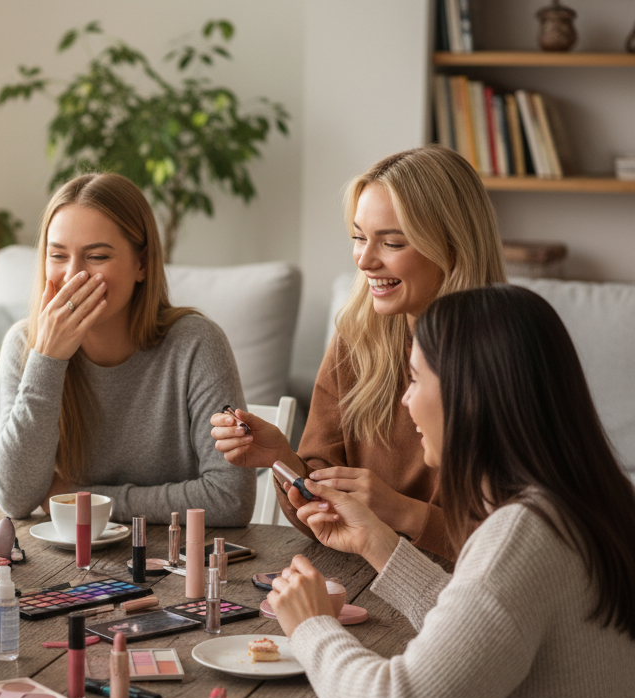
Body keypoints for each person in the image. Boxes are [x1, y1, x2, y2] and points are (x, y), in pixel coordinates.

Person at [270, 285, 635, 698]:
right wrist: (376, 541)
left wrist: (313, 628)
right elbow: (493, 625)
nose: (404, 401)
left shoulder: (521, 533)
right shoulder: (584, 502)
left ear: (468, 396)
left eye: (415, 380)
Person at [212, 145, 505, 558]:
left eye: (392, 243)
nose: (365, 260)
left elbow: (521, 548)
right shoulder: (357, 342)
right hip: (360, 581)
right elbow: (322, 522)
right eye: (359, 238)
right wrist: (282, 458)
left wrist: (403, 513)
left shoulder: (509, 357)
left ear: (453, 247)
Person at [0, 172, 255, 525]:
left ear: (141, 264)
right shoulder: (26, 345)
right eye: (57, 256)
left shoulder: (196, 344)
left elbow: (230, 498)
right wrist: (47, 360)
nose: (73, 276)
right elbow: (13, 498)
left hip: (174, 564)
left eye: (96, 256)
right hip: (66, 566)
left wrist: (85, 500)